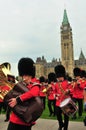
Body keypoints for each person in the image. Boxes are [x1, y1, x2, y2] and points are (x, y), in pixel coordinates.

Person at [7, 57, 41, 130]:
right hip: (15, 118)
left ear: (30, 75)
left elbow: (33, 93)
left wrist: (17, 100)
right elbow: (10, 83)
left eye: (26, 75)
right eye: (23, 75)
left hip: (25, 119)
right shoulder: (22, 83)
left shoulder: (35, 84)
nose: (24, 77)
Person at [54, 65, 71, 130]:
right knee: (58, 114)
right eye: (58, 77)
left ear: (63, 76)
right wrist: (55, 95)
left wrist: (68, 90)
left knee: (66, 116)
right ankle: (61, 124)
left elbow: (71, 89)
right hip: (58, 102)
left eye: (60, 77)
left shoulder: (67, 83)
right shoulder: (56, 84)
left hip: (66, 101)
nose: (59, 78)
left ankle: (65, 128)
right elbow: (55, 91)